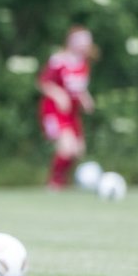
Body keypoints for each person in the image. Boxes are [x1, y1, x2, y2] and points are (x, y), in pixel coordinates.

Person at [38, 25, 95, 190]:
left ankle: (62, 181)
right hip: (54, 111)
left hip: (72, 114)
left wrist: (86, 99)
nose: (85, 44)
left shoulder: (83, 64)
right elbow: (44, 82)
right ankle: (54, 182)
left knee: (78, 150)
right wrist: (59, 94)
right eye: (81, 40)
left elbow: (79, 88)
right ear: (71, 42)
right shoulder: (59, 60)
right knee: (67, 146)